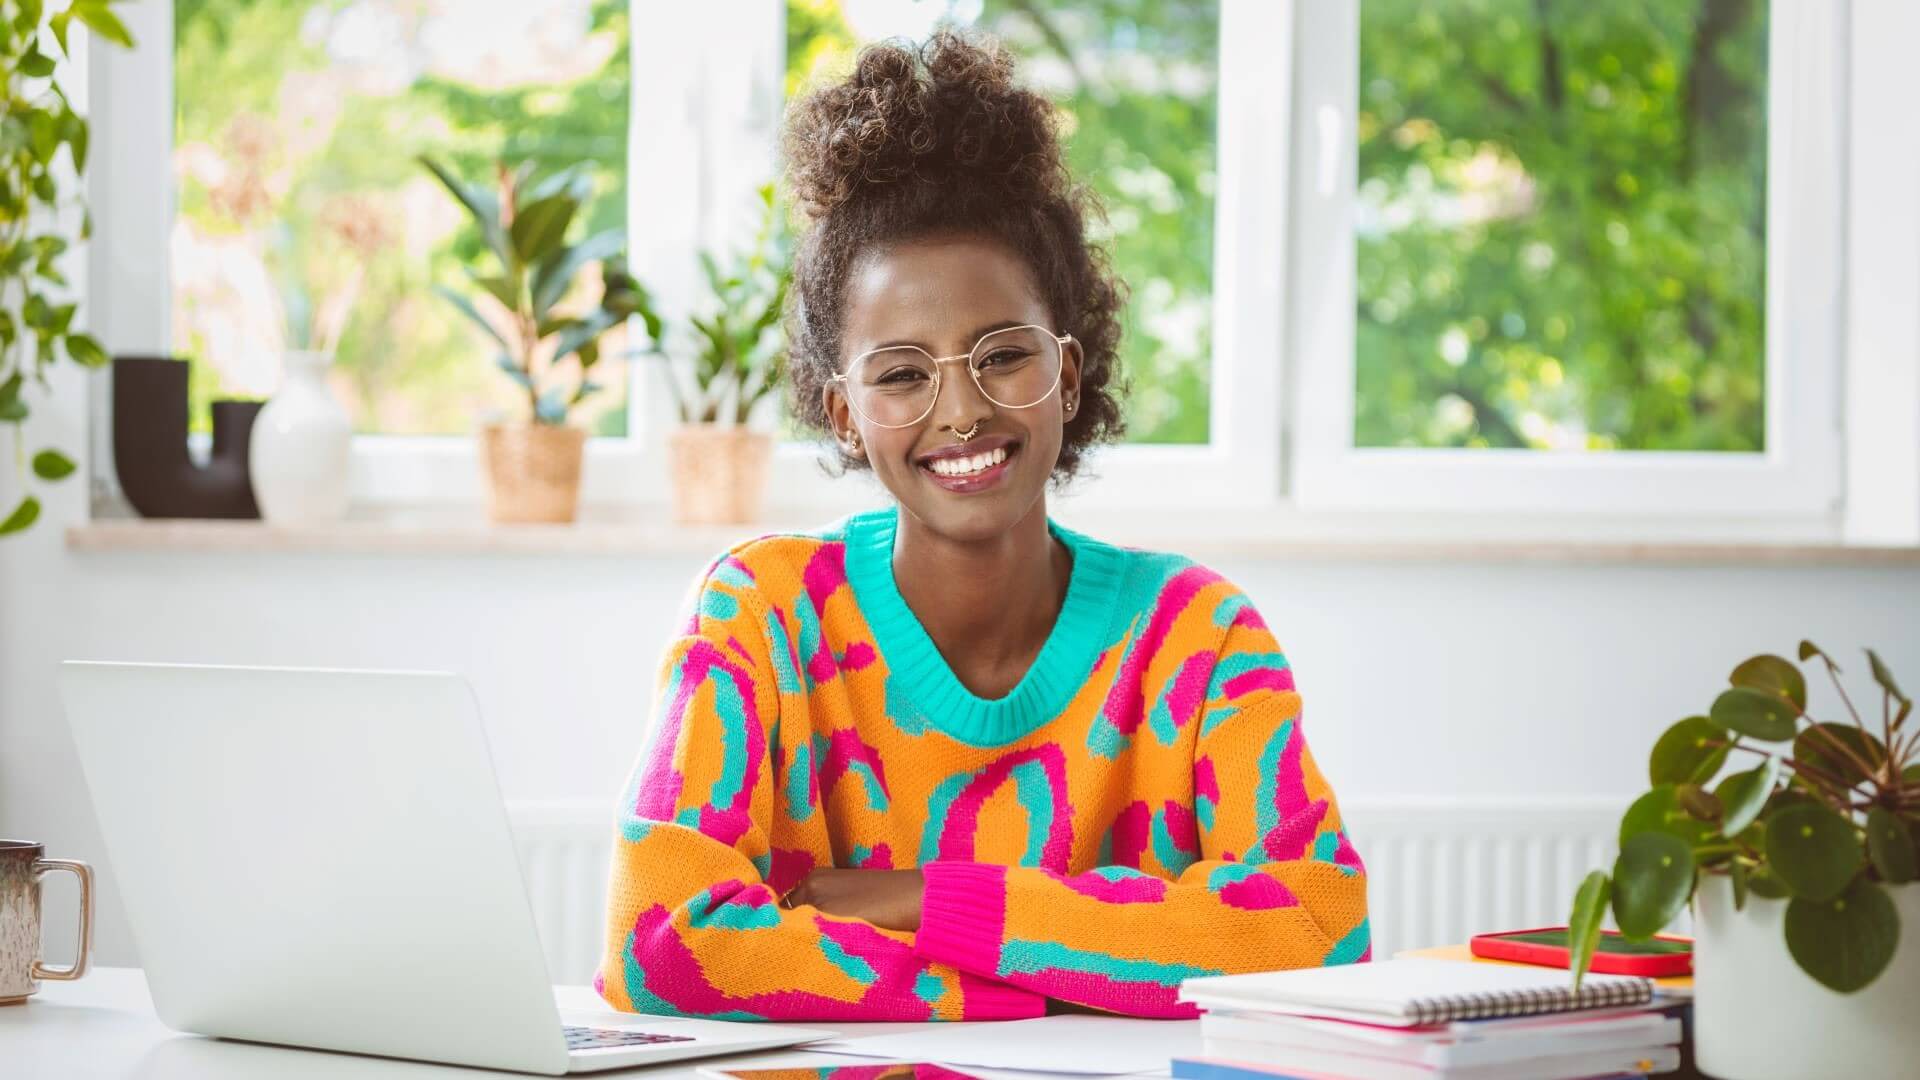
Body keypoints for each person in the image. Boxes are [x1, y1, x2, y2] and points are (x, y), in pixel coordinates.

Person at [596, 29, 1367, 1022]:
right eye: (903, 375)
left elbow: (1317, 934)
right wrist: (1046, 983)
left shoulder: (1199, 637)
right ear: (844, 412)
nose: (959, 412)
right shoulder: (760, 616)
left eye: (1002, 355)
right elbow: (656, 942)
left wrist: (930, 901)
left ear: (1068, 374)